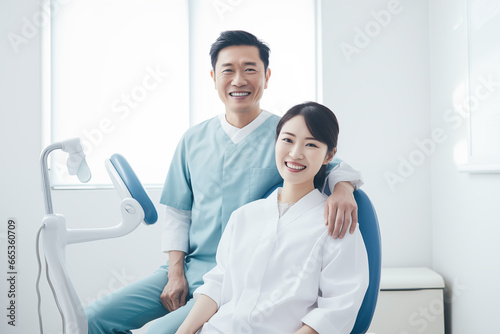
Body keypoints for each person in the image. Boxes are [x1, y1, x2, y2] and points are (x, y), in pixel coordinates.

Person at [85, 30, 363, 334]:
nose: (238, 79)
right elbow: (178, 212)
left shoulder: (286, 133)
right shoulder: (194, 139)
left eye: (250, 69)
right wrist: (175, 272)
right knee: (94, 317)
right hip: (189, 267)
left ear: (267, 76)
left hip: (242, 274)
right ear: (213, 76)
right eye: (228, 70)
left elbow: (331, 163)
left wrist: (343, 188)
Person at [176, 102, 369, 334]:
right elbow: (217, 284)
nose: (295, 153)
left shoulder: (336, 224)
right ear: (275, 142)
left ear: (329, 155)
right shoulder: (244, 216)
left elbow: (338, 308)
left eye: (311, 144)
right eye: (287, 140)